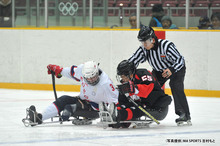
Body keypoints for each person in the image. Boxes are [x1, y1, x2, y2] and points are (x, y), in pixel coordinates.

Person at [128, 26, 191, 125]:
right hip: (159, 71)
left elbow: (180, 60)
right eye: (142, 42)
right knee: (150, 86)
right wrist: (126, 70)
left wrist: (172, 69)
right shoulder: (144, 49)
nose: (144, 45)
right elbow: (133, 60)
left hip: (175, 69)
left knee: (175, 85)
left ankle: (184, 114)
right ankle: (151, 110)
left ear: (152, 39)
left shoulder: (166, 46)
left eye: (146, 42)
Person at [26, 61, 119, 126]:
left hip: (95, 110)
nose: (91, 80)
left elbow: (116, 102)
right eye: (88, 78)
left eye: (93, 77)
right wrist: (59, 70)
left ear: (97, 73)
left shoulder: (106, 84)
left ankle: (72, 110)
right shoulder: (82, 70)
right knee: (63, 99)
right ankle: (38, 117)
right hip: (82, 100)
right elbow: (71, 72)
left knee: (69, 108)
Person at [99, 60, 172, 128]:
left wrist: (134, 88)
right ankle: (115, 113)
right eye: (121, 76)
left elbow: (147, 90)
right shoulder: (127, 82)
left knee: (137, 108)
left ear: (130, 74)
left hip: (157, 107)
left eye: (123, 76)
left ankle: (119, 115)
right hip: (142, 103)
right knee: (123, 95)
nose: (122, 78)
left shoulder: (142, 73)